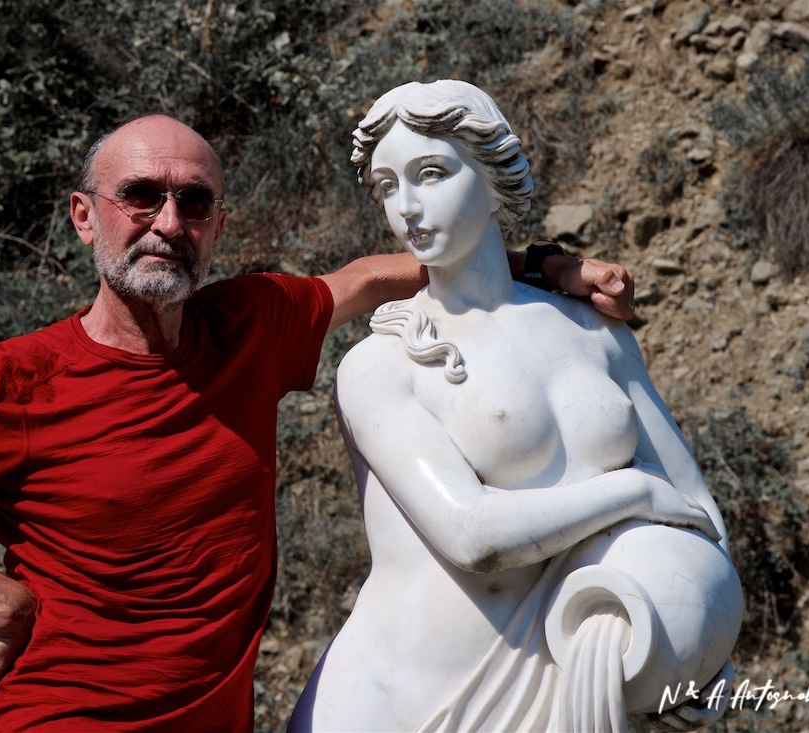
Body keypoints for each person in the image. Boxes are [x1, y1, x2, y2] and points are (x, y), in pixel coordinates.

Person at [0, 113, 638, 732]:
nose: (168, 223)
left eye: (193, 202)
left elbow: (372, 277)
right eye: (140, 196)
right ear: (84, 215)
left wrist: (543, 264)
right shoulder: (20, 380)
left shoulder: (248, 322)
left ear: (218, 226)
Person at [287, 81, 736, 732]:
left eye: (431, 174)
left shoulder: (595, 332)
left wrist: (705, 634)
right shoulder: (380, 365)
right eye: (387, 186)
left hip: (576, 673)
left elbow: (691, 501)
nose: (406, 207)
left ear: (494, 177)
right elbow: (475, 536)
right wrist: (633, 491)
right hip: (415, 703)